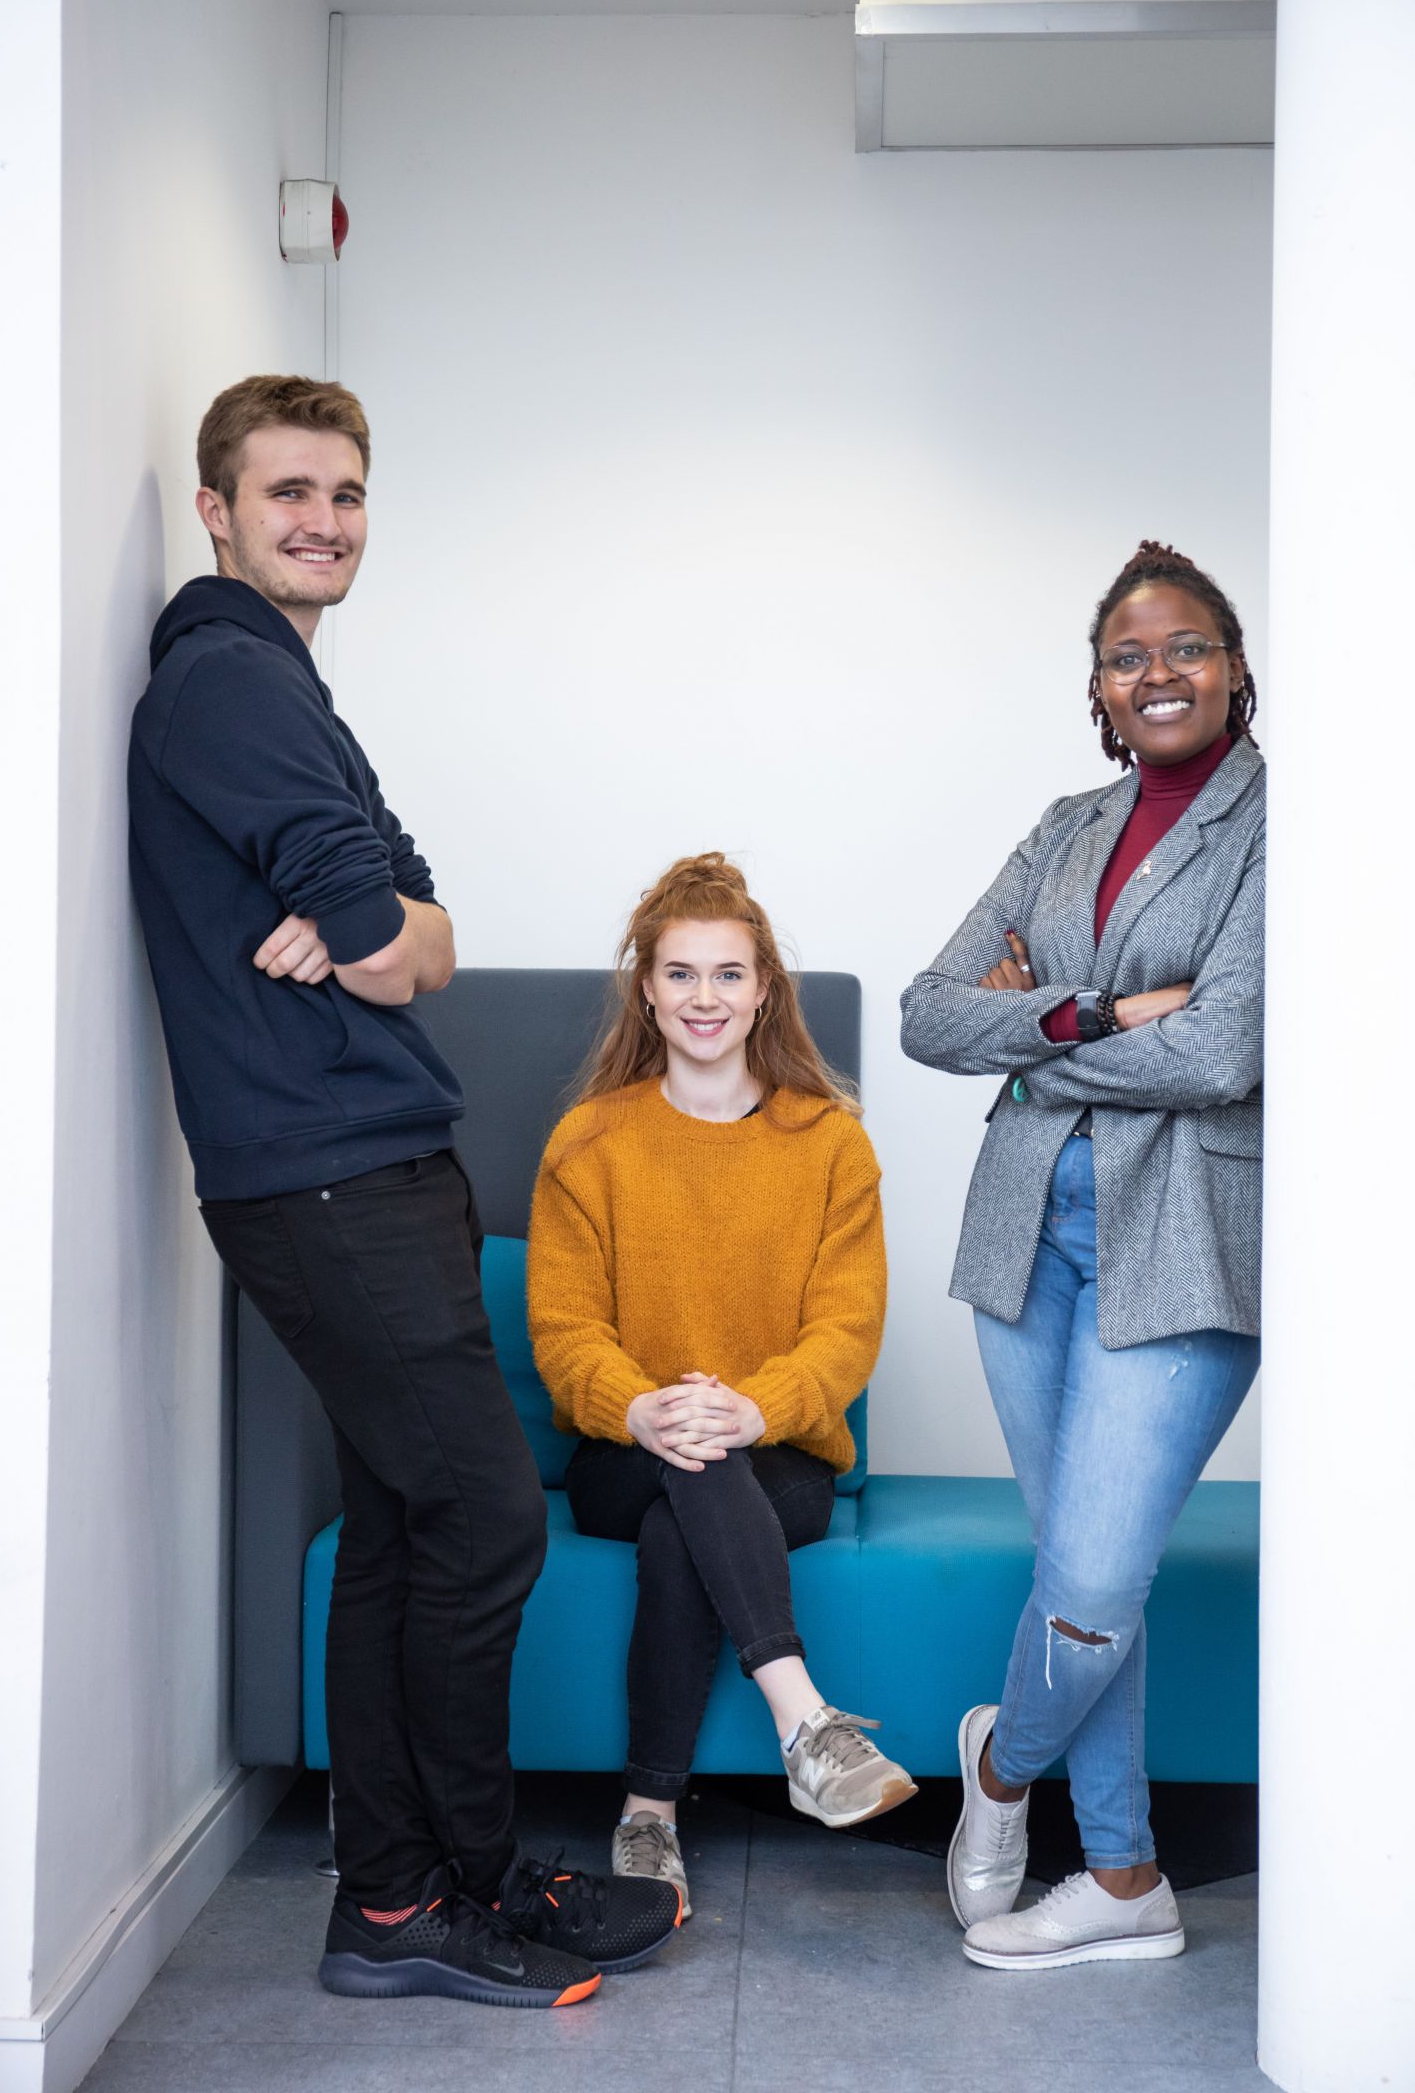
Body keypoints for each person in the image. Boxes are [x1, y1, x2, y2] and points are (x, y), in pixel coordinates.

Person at [127, 374, 679, 2010]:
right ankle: (430, 1895)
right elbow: (382, 945)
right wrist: (377, 935)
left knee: (400, 1534)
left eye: (348, 493)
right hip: (323, 1181)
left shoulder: (283, 684)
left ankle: (414, 1894)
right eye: (288, 489)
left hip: (373, 1167)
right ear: (217, 507)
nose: (324, 518)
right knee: (487, 1522)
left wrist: (385, 933)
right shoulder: (228, 684)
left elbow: (418, 924)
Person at [901, 540, 1264, 1972]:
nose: (1158, 672)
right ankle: (1122, 1880)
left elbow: (1229, 1046)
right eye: (1129, 656)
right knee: (1077, 1570)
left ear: (1236, 670)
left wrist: (1033, 1041)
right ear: (1102, 695)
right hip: (1025, 1233)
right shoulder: (1063, 827)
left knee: (1099, 1579)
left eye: (1186, 647)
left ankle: (997, 1766)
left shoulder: (1284, 825)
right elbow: (936, 1013)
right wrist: (1101, 1018)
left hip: (1183, 1238)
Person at [526, 854, 916, 1918]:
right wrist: (640, 1406)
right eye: (683, 974)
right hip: (618, 1452)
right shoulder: (592, 1141)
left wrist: (754, 1406)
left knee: (686, 1509)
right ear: (646, 988)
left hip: (777, 1453)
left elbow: (848, 1329)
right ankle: (806, 1724)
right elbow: (563, 1332)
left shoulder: (830, 1143)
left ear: (765, 989)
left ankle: (647, 1817)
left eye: (729, 975)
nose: (707, 998)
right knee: (683, 1466)